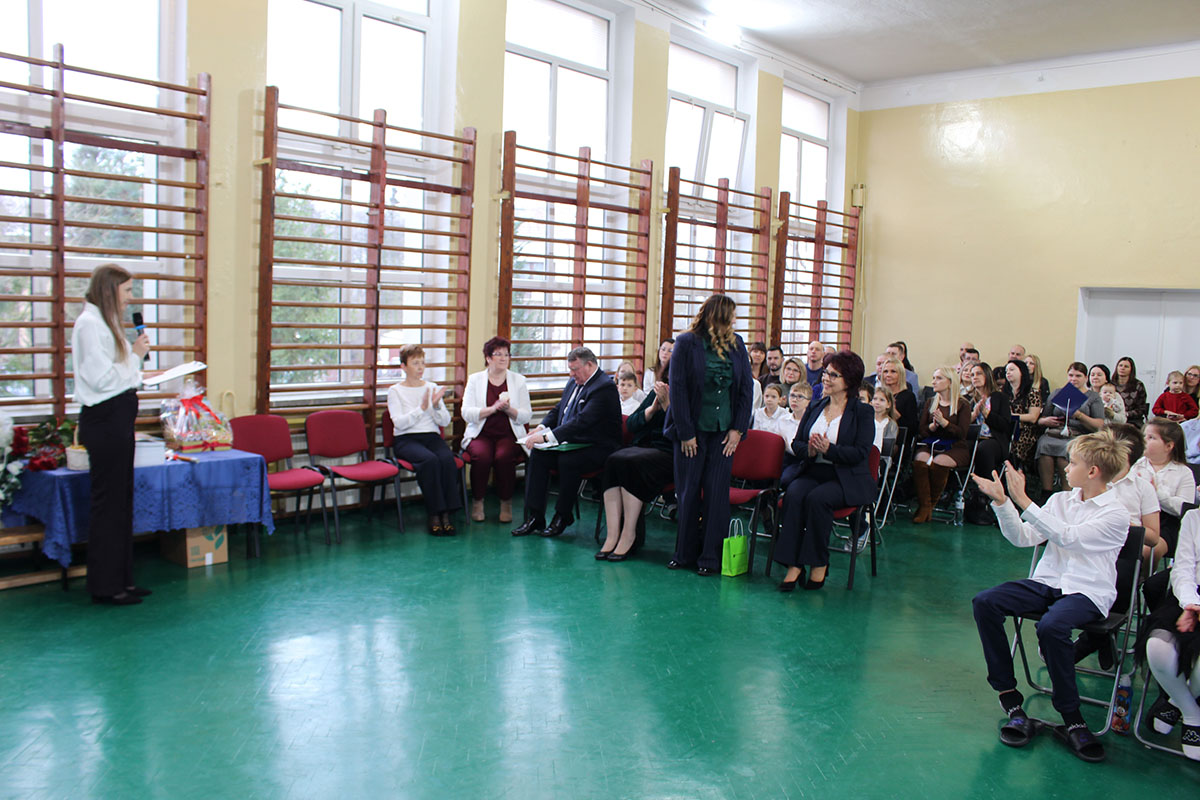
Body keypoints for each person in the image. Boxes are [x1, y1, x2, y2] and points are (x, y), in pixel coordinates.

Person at [970, 429, 1130, 763]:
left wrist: (1024, 500)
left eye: (1072, 463)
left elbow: (1070, 537)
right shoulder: (1060, 501)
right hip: (1048, 583)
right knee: (985, 602)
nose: (1065, 468)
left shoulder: (1115, 513)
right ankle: (1009, 696)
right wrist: (1002, 502)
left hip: (1087, 591)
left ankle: (1072, 718)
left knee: (1052, 627)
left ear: (1093, 471)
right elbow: (1023, 537)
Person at [74, 264, 151, 606]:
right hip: (104, 421)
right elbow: (101, 380)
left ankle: (123, 580)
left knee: (122, 502)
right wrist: (135, 356)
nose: (130, 298)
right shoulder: (89, 325)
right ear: (110, 290)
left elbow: (121, 374)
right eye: (127, 291)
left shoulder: (105, 323)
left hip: (117, 419)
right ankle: (105, 586)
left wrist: (135, 362)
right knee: (108, 505)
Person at [663, 294, 753, 576]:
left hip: (723, 433)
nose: (734, 321)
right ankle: (684, 553)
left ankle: (711, 557)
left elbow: (745, 389)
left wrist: (738, 429)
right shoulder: (686, 342)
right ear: (717, 316)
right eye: (731, 315)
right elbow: (677, 388)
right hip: (691, 432)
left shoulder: (737, 344)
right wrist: (686, 432)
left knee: (717, 495)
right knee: (688, 493)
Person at [773, 351, 875, 592]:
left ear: (849, 380)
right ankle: (793, 564)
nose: (826, 378)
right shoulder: (816, 406)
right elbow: (797, 443)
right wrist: (809, 450)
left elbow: (861, 453)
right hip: (814, 471)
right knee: (794, 495)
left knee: (818, 500)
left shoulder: (862, 412)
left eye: (834, 375)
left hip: (846, 477)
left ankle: (818, 562)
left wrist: (830, 450)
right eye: (826, 373)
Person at [512, 347, 622, 538]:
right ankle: (535, 516)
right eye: (570, 369)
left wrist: (546, 437)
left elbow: (582, 422)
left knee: (568, 461)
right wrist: (541, 427)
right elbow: (560, 409)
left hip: (598, 446)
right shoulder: (575, 381)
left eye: (575, 369)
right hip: (573, 443)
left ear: (589, 365)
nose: (571, 374)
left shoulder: (604, 387)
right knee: (538, 455)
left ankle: (563, 515)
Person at [1137, 509, 1200, 761]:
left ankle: (1177, 703)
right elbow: (1182, 569)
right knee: (1157, 646)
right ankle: (1192, 712)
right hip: (1190, 596)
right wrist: (1190, 604)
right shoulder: (1194, 518)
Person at [597, 367, 673, 561]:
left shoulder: (688, 396)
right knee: (613, 460)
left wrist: (667, 406)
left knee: (630, 463)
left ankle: (629, 534)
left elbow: (681, 431)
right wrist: (652, 410)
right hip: (644, 447)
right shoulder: (659, 391)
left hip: (670, 452)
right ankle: (612, 535)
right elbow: (632, 423)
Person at [387, 344, 462, 535]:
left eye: (422, 362)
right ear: (403, 366)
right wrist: (421, 409)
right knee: (429, 461)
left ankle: (447, 514)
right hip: (406, 439)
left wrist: (435, 406)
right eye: (415, 363)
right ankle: (434, 514)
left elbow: (444, 421)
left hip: (431, 436)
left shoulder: (431, 387)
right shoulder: (395, 391)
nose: (420, 367)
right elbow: (399, 423)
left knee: (447, 460)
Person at [461, 336, 533, 523]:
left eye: (506, 354)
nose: (503, 358)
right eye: (498, 354)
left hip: (508, 435)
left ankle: (506, 503)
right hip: (481, 434)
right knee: (481, 456)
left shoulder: (518, 381)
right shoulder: (475, 380)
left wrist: (509, 410)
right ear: (488, 358)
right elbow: (466, 413)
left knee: (503, 457)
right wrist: (492, 409)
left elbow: (526, 415)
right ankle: (478, 502)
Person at [911, 365, 972, 523]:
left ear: (950, 382)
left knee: (939, 462)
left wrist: (945, 423)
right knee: (920, 460)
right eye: (933, 378)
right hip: (933, 443)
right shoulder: (931, 402)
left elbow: (962, 433)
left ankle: (927, 507)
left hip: (955, 447)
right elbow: (921, 430)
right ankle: (925, 506)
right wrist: (932, 427)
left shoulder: (963, 404)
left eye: (939, 378)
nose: (934, 381)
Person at [1035, 362, 1106, 498]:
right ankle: (1046, 493)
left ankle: (1067, 493)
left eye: (1078, 376)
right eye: (1071, 375)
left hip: (1078, 435)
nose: (1074, 379)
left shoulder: (1093, 397)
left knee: (1065, 452)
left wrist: (1080, 415)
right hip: (1055, 433)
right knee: (1044, 447)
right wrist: (1045, 421)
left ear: (1085, 378)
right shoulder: (1058, 393)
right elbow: (1041, 419)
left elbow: (1099, 424)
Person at [1130, 420, 1197, 557]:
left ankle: (1146, 570)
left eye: (1151, 437)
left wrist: (1155, 493)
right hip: (1137, 515)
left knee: (1147, 550)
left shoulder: (1183, 473)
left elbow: (1184, 508)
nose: (1144, 440)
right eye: (1144, 436)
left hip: (1167, 523)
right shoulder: (1135, 466)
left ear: (1169, 446)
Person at [965, 363, 1013, 525]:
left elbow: (1005, 426)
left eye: (979, 373)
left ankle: (983, 497)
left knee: (984, 450)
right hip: (975, 440)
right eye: (972, 375)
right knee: (961, 448)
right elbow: (962, 427)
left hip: (994, 441)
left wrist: (987, 414)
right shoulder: (969, 400)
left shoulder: (1000, 398)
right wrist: (972, 417)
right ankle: (960, 494)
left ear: (987, 376)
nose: (975, 377)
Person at [1004, 359, 1043, 475]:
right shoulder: (1004, 393)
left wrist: (1013, 417)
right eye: (1006, 371)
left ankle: (1015, 474)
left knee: (1015, 447)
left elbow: (1033, 417)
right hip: (1007, 428)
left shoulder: (1033, 392)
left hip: (1026, 430)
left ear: (1021, 372)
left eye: (1012, 370)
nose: (1008, 373)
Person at [878, 356, 918, 440]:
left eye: (893, 372)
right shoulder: (878, 395)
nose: (888, 375)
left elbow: (913, 429)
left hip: (898, 439)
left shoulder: (909, 396)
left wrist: (896, 414)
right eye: (885, 371)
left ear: (901, 374)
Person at [1113, 356, 1149, 428]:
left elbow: (1142, 408)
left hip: (1132, 419)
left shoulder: (1138, 385)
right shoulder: (1110, 384)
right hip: (1113, 418)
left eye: (1126, 366)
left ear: (1131, 370)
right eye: (1120, 365)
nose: (1122, 368)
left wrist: (1126, 414)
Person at [780, 383, 810, 455]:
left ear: (809, 402)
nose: (794, 400)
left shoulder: (810, 423)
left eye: (800, 397)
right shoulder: (782, 420)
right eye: (792, 395)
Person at [870, 385, 899, 454]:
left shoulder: (891, 424)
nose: (877, 402)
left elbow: (888, 446)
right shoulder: (866, 420)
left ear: (888, 404)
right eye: (875, 399)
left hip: (882, 456)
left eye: (882, 400)